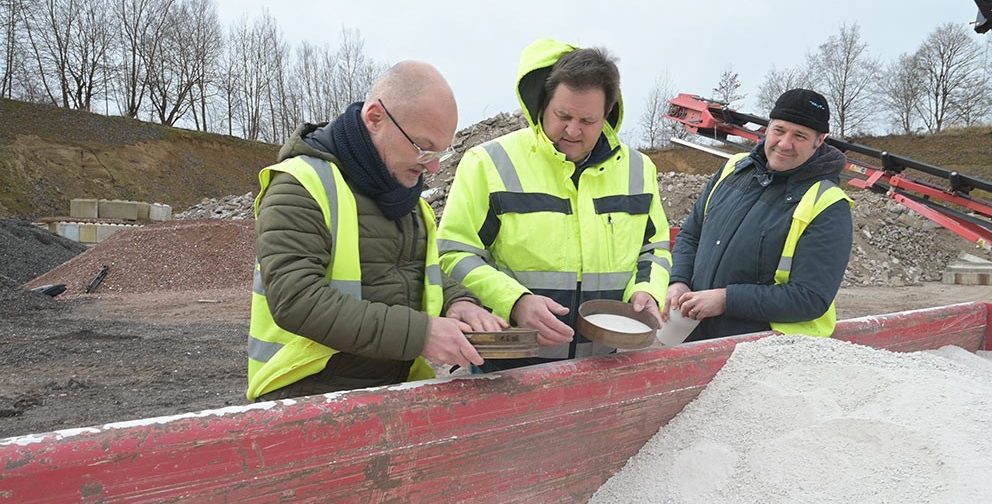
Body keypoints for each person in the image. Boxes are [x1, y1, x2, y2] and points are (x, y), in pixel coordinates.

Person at [247, 60, 507, 402]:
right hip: (306, 397)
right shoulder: (300, 185)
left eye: (439, 154)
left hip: (388, 391)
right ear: (375, 118)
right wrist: (422, 335)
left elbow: (416, 273)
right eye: (422, 147)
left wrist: (457, 301)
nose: (431, 166)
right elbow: (298, 300)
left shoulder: (404, 197)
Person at [436, 39, 671, 372]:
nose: (573, 131)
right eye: (563, 115)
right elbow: (452, 254)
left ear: (607, 115)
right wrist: (515, 302)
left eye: (588, 121)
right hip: (507, 365)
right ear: (543, 104)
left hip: (604, 364)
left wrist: (648, 289)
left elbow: (654, 247)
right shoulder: (489, 163)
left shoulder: (638, 170)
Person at [663, 88, 853, 341]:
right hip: (695, 335)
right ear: (767, 128)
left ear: (819, 140)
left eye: (799, 135)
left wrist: (726, 300)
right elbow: (691, 234)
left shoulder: (827, 203)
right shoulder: (734, 169)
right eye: (779, 130)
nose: (785, 144)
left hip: (765, 353)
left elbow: (810, 297)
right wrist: (678, 281)